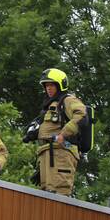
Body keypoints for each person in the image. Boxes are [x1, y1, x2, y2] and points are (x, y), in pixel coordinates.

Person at [33, 68, 85, 196]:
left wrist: (63, 134)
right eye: (46, 86)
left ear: (60, 85)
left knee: (59, 194)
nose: (48, 88)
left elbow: (82, 115)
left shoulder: (67, 100)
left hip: (61, 153)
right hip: (47, 154)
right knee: (45, 196)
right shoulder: (49, 106)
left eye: (51, 85)